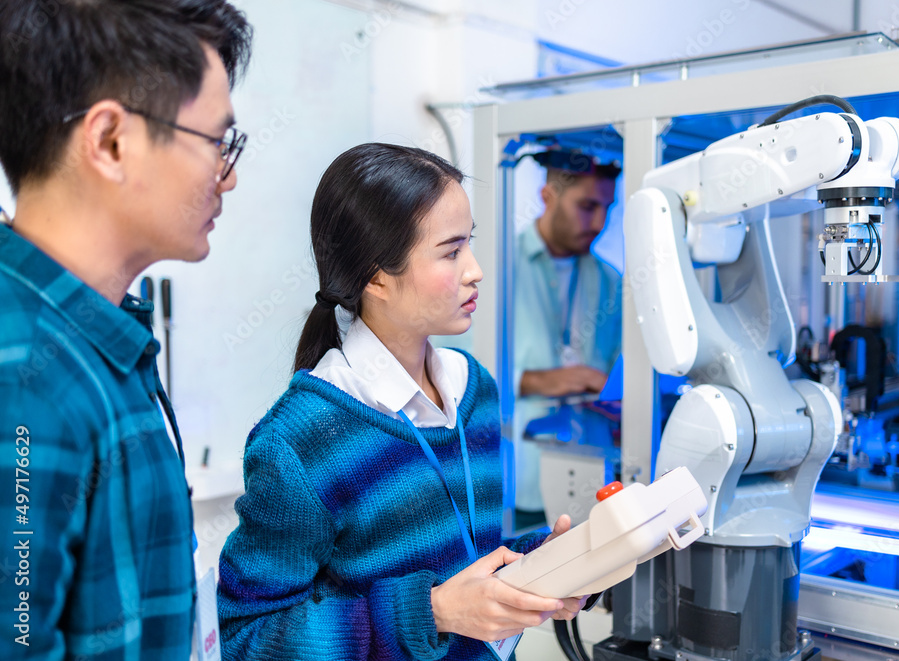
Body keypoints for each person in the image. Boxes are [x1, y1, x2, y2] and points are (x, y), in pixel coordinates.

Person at [217, 143, 584, 660]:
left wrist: (548, 565)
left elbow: (467, 565)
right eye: (451, 252)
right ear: (376, 277)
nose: (475, 270)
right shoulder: (300, 439)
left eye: (470, 244)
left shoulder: (474, 389)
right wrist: (430, 613)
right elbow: (247, 639)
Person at [0, 2, 252, 658]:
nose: (228, 176)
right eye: (215, 142)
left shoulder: (98, 341)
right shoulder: (25, 378)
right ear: (111, 141)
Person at [514, 150, 623, 526]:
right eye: (587, 206)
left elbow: (622, 374)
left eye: (607, 208)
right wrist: (543, 381)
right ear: (548, 196)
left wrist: (619, 400)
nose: (599, 222)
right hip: (520, 481)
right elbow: (455, 370)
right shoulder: (496, 268)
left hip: (594, 475)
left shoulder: (612, 282)